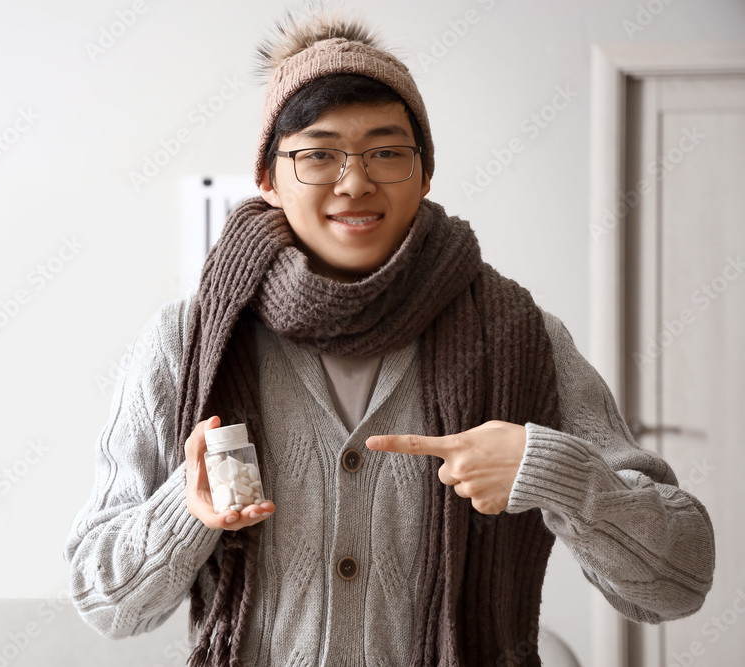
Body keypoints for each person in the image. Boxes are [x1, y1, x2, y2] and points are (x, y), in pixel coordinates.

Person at [63, 10, 715, 666]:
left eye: (386, 151)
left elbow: (679, 580)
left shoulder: (522, 339)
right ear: (268, 176)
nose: (355, 181)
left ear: (425, 171)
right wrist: (187, 505)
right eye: (318, 153)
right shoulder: (188, 340)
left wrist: (552, 472)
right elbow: (102, 596)